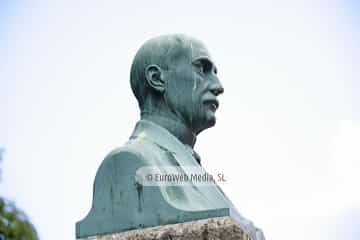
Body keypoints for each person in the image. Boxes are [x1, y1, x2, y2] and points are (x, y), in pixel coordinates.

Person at [76, 34, 265, 240]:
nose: (218, 86)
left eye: (215, 73)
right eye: (202, 69)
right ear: (157, 79)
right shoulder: (129, 163)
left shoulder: (192, 167)